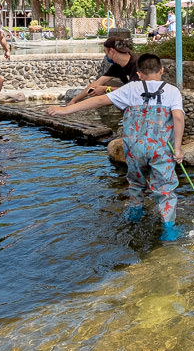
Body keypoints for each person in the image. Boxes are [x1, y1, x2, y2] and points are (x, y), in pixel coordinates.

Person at [47, 53, 183, 239]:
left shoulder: (131, 88)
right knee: (165, 189)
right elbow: (178, 117)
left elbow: (100, 100)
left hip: (134, 149)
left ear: (139, 73)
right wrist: (178, 148)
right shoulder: (172, 91)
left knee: (136, 183)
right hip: (160, 150)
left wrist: (65, 110)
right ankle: (168, 230)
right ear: (161, 70)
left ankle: (134, 216)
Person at [69, 37, 140, 105]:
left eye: (106, 52)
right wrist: (74, 100)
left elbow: (133, 91)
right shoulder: (117, 66)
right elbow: (97, 83)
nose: (106, 56)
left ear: (112, 51)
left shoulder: (138, 64)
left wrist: (106, 89)